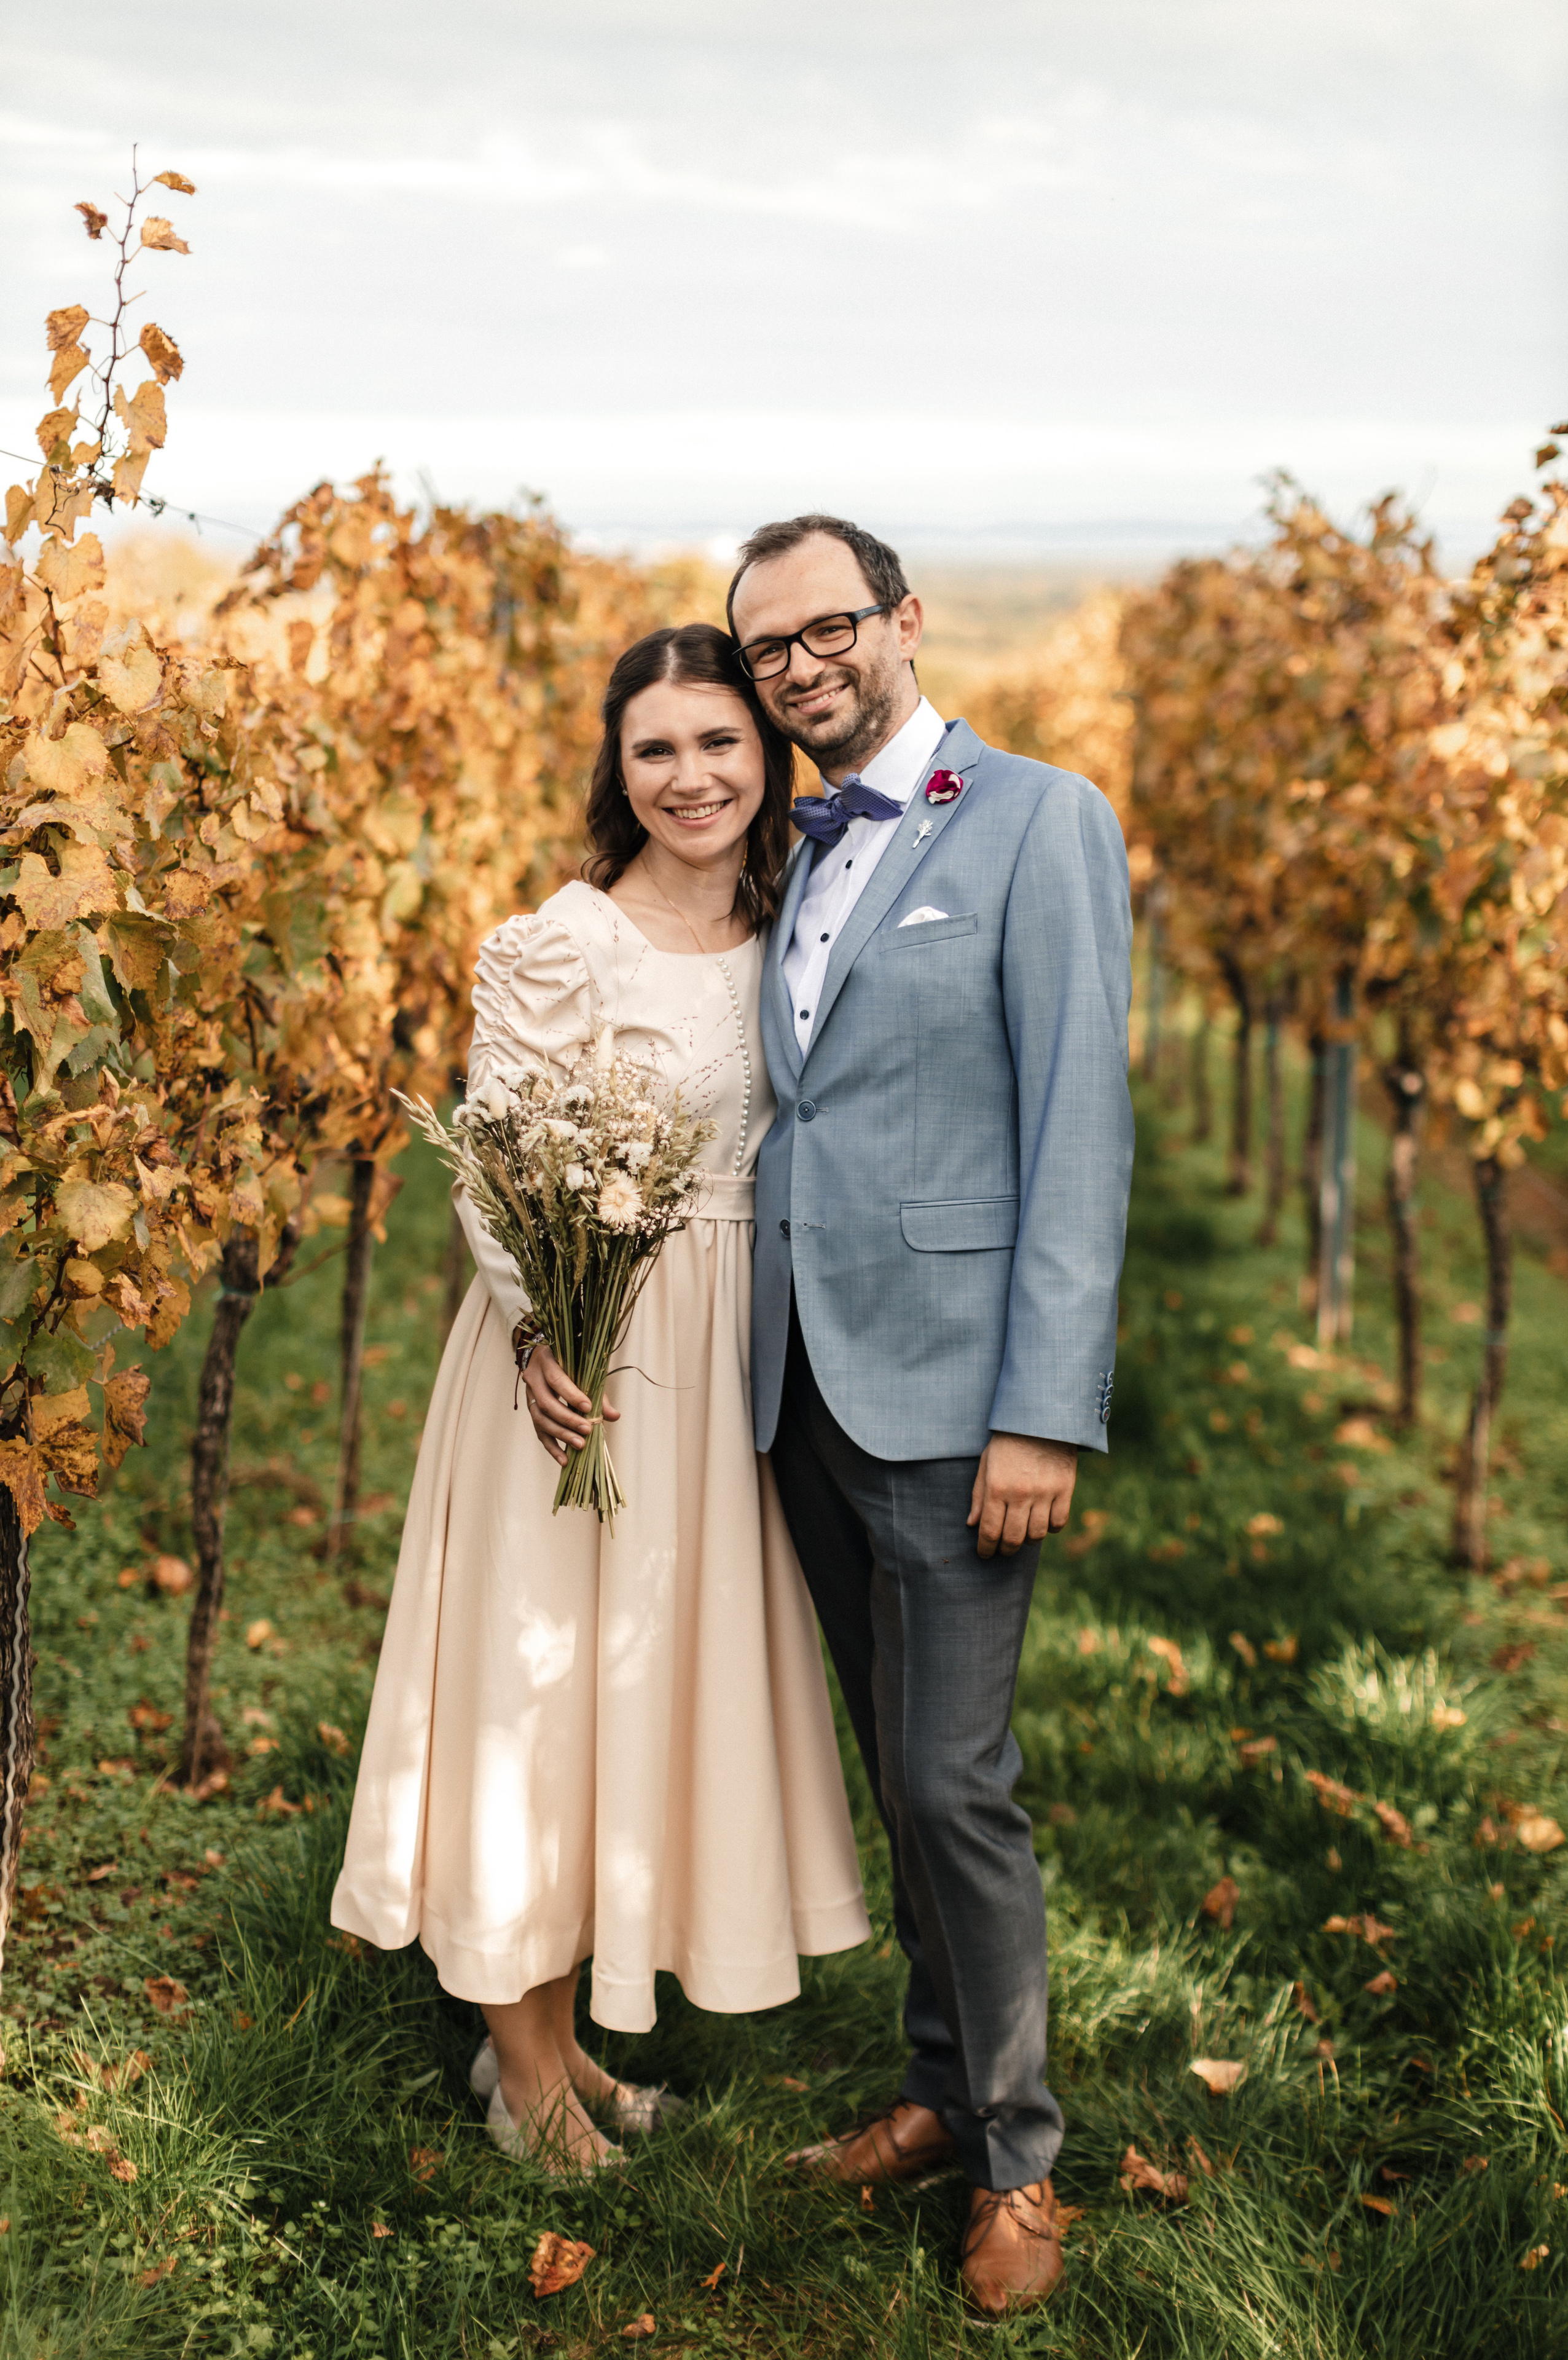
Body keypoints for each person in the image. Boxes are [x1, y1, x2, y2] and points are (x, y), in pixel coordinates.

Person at [330, 622, 870, 2174]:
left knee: (630, 1696)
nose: (690, 776)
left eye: (719, 742)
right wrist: (537, 1330)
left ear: (764, 755)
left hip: (727, 1372)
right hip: (583, 1361)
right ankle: (526, 2076)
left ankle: (557, 2054)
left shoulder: (796, 926)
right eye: (655, 749)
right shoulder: (560, 940)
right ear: (614, 771)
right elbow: (499, 1173)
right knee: (539, 1692)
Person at [731, 516, 1133, 2315]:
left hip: (963, 1397)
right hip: (804, 1382)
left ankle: (1026, 2158)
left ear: (904, 619)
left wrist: (1042, 1412)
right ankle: (930, 2089)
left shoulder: (1041, 820)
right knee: (894, 1767)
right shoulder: (791, 848)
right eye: (767, 650)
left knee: (957, 1782)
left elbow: (1079, 1137)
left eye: (829, 629)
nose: (801, 667)